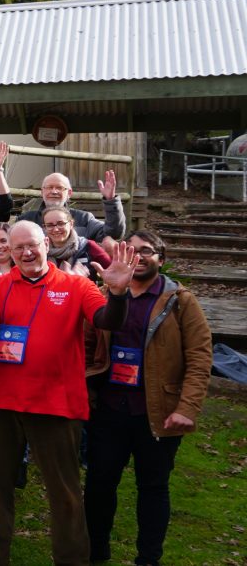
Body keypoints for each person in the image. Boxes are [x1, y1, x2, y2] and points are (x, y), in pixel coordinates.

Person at [0, 221, 136, 566]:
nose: (26, 253)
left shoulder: (75, 285)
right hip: (3, 400)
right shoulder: (0, 284)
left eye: (33, 245)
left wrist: (117, 294)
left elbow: (107, 321)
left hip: (55, 402)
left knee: (64, 492)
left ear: (46, 245)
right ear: (9, 251)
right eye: (18, 247)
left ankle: (71, 559)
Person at [83, 230, 213, 566]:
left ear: (161, 259)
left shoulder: (180, 301)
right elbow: (84, 347)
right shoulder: (104, 294)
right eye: (132, 250)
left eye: (148, 251)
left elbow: (200, 357)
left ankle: (148, 559)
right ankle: (97, 553)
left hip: (157, 411)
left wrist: (187, 407)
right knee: (99, 485)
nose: (139, 257)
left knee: (153, 488)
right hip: (109, 410)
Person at [16, 171, 125, 243]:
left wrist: (111, 201)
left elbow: (114, 234)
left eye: (59, 188)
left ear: (69, 193)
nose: (54, 191)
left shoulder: (84, 219)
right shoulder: (26, 220)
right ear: (42, 191)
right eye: (49, 187)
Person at [43, 205, 112, 275]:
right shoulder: (40, 250)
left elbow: (112, 271)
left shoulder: (87, 246)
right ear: (44, 227)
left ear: (71, 224)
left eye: (61, 224)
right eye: (50, 225)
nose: (56, 229)